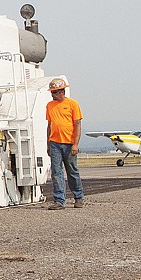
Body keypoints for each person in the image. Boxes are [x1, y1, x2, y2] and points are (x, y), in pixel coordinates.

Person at [45, 78, 85, 209]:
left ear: (62, 91)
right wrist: (48, 143)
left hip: (69, 143)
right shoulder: (49, 106)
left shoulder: (73, 104)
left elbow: (78, 124)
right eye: (52, 92)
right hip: (55, 143)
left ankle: (78, 198)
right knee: (56, 172)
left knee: (72, 171)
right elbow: (49, 125)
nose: (52, 95)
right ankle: (59, 200)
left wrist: (75, 144)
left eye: (54, 92)